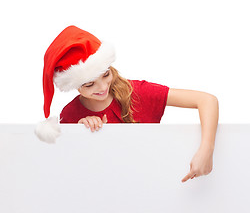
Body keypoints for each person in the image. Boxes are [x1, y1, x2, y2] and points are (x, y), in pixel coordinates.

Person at [35, 25, 219, 183]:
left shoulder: (137, 92)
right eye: (89, 84)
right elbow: (69, 169)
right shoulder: (70, 114)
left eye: (106, 74)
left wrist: (206, 149)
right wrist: (80, 132)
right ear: (75, 87)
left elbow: (206, 100)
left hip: (150, 181)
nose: (102, 87)